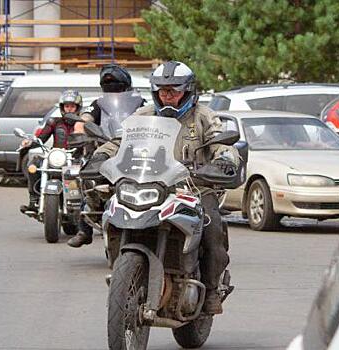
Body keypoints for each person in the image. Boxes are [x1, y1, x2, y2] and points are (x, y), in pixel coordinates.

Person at [84, 61, 240, 315]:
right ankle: (124, 276)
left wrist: (224, 160)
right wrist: (100, 157)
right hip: (148, 183)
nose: (167, 95)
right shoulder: (143, 116)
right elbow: (118, 141)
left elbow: (221, 143)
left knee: (212, 233)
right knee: (113, 213)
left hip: (194, 188)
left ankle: (211, 291)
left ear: (188, 91)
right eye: (162, 90)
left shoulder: (203, 116)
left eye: (174, 90)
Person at [67, 64, 145, 248]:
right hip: (104, 149)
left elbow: (152, 119)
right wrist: (81, 127)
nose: (113, 89)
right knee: (87, 180)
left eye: (116, 85)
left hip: (133, 150)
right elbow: (85, 118)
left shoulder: (139, 103)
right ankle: (84, 229)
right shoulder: (98, 104)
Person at [20, 89, 83, 212]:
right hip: (57, 158)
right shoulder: (54, 122)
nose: (69, 109)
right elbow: (41, 138)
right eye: (67, 106)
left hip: (76, 159)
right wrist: (29, 143)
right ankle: (34, 201)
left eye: (72, 106)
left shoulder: (83, 124)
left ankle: (87, 205)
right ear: (62, 107)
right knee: (33, 165)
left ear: (77, 108)